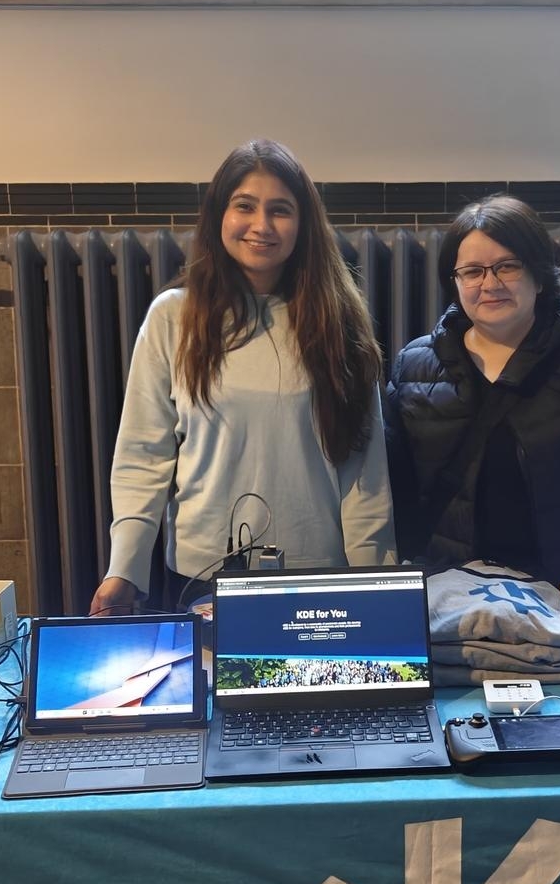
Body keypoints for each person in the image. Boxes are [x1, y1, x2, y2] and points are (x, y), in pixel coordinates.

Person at [91, 140, 395, 614]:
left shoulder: (339, 322)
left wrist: (375, 585)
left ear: (304, 225)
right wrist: (123, 569)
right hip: (202, 577)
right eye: (245, 206)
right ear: (219, 216)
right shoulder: (174, 318)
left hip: (317, 578)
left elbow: (365, 471)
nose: (261, 226)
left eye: (280, 210)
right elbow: (142, 456)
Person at [385, 195, 560, 586]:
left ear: (539, 275)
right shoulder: (415, 365)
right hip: (452, 590)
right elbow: (393, 492)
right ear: (454, 282)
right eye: (472, 271)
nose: (489, 284)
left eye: (507, 266)